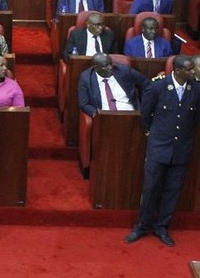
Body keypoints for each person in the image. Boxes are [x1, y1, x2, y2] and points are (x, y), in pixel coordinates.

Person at [125, 55, 199, 247]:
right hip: (159, 147)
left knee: (172, 190)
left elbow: (195, 118)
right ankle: (142, 226)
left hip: (182, 148)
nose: (193, 72)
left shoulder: (196, 89)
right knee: (150, 188)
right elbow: (146, 115)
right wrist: (153, 135)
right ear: (178, 70)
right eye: (190, 69)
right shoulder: (157, 86)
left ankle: (162, 227)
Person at [78, 53, 149, 116]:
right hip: (105, 116)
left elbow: (146, 83)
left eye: (110, 64)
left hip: (129, 114)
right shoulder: (86, 78)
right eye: (105, 66)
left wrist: (145, 105)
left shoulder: (123, 71)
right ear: (96, 68)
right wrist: (96, 114)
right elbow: (84, 104)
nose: (110, 68)